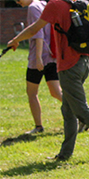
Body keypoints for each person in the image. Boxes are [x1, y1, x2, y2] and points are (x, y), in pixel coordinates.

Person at [6, 0, 89, 161]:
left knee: (81, 109)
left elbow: (35, 28)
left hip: (68, 66)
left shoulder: (55, 5)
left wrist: (15, 39)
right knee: (68, 110)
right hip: (84, 63)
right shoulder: (79, 3)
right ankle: (65, 154)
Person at [16, 0, 62, 135]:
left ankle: (38, 126)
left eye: (18, 0)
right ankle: (82, 116)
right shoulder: (43, 3)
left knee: (31, 92)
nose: (18, 2)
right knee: (56, 92)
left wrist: (38, 59)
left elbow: (38, 34)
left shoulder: (33, 7)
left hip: (40, 58)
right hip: (52, 55)